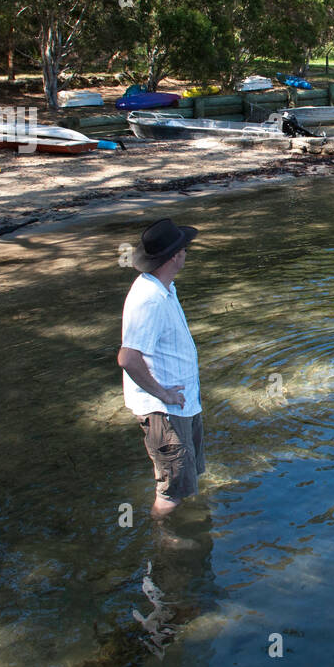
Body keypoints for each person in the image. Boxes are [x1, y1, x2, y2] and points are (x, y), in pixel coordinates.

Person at [117, 218, 205, 519]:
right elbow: (127, 358)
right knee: (171, 493)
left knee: (186, 481)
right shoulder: (149, 299)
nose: (186, 253)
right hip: (165, 412)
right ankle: (166, 548)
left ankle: (185, 530)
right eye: (184, 249)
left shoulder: (164, 287)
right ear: (174, 256)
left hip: (183, 404)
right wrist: (163, 394)